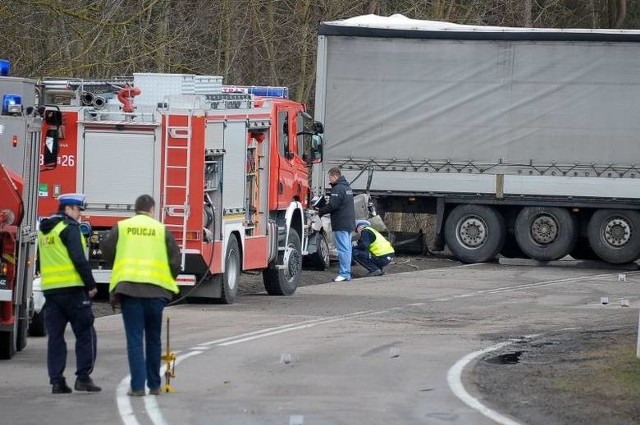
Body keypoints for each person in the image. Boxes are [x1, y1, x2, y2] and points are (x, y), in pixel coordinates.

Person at [102, 194, 180, 397]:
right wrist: (168, 280)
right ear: (152, 210)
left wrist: (118, 264)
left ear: (135, 210)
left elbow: (106, 248)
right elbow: (175, 259)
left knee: (135, 339)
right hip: (156, 293)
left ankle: (137, 387)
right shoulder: (161, 230)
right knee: (154, 339)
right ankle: (155, 385)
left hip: (130, 291)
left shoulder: (122, 227)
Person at [38, 193, 101, 394]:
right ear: (68, 209)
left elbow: (41, 260)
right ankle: (83, 377)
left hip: (51, 291)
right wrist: (91, 285)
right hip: (73, 291)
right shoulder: (69, 228)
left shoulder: (45, 229)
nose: (79, 215)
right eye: (78, 210)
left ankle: (57, 381)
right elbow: (79, 259)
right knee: (85, 332)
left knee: (55, 337)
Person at [317, 167, 355, 282]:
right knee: (347, 248)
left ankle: (344, 273)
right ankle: (347, 273)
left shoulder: (337, 189)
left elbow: (333, 205)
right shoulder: (347, 187)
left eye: (330, 177)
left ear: (334, 176)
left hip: (341, 223)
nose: (329, 180)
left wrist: (320, 211)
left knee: (343, 249)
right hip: (349, 223)